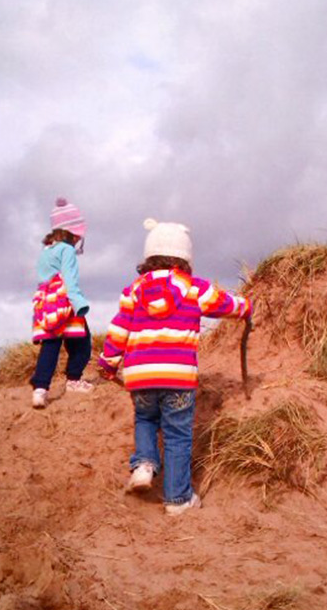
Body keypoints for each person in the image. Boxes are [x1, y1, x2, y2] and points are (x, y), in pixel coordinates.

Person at [98, 218, 252, 515]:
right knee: (177, 435)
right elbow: (225, 304)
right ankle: (177, 499)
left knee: (145, 419)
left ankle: (144, 463)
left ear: (149, 257)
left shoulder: (133, 291)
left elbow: (118, 330)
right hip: (178, 376)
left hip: (140, 375)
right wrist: (247, 307)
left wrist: (108, 363)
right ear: (185, 257)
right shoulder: (194, 288)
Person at [30, 197, 93, 408]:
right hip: (65, 303)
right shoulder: (67, 251)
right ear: (71, 232)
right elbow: (69, 278)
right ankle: (74, 380)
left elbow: (43, 281)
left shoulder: (45, 252)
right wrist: (79, 303)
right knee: (82, 343)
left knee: (51, 344)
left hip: (46, 304)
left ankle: (40, 389)